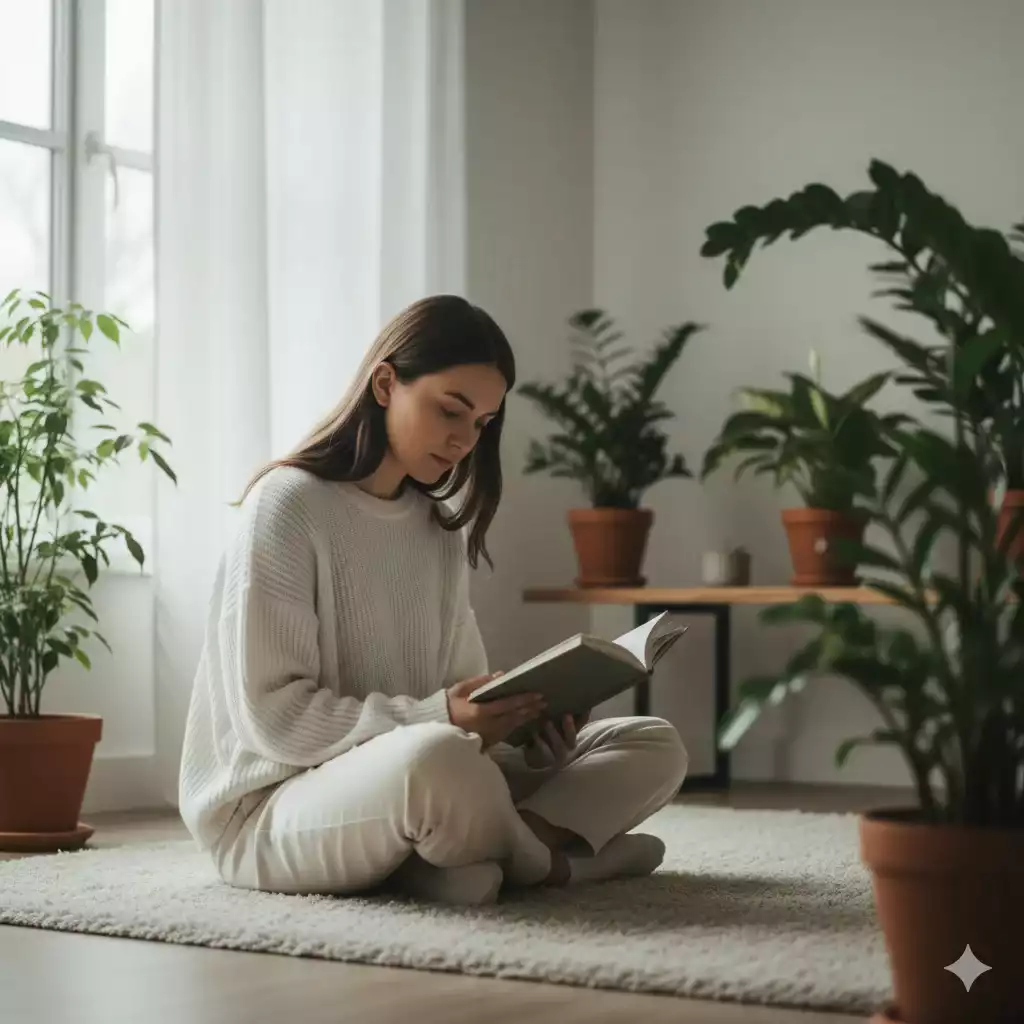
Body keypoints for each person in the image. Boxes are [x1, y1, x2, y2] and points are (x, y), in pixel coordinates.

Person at [177, 295, 689, 906]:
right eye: (452, 409)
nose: (464, 440)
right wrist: (439, 719)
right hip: (271, 808)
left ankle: (444, 861)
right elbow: (276, 720)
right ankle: (550, 864)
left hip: (413, 778)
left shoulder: (437, 530)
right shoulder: (287, 506)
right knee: (438, 761)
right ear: (387, 383)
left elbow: (458, 703)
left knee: (652, 742)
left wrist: (521, 726)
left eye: (482, 423)